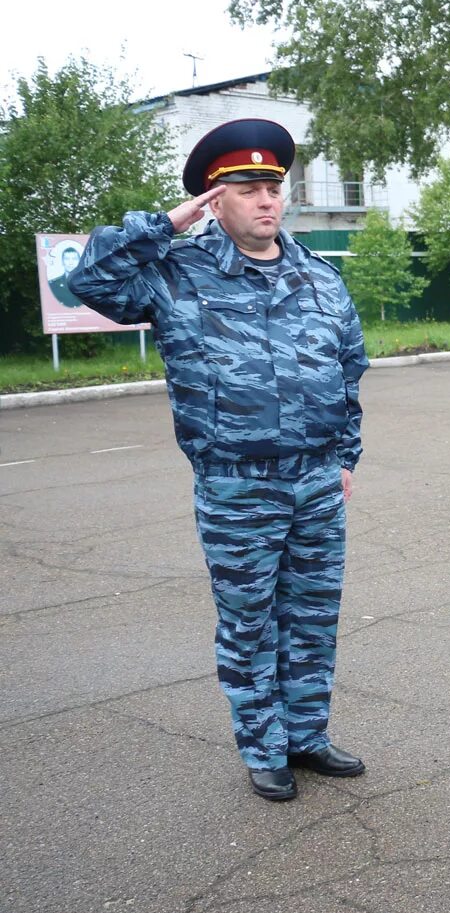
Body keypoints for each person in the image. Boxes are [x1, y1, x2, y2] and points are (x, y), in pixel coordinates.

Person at [67, 118, 369, 802]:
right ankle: (263, 745)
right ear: (214, 200)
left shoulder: (318, 276)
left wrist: (345, 455)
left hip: (317, 481)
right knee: (250, 618)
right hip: (237, 484)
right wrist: (162, 225)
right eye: (248, 189)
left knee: (314, 615)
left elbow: (350, 368)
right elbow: (87, 279)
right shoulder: (173, 274)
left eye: (273, 187)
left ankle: (306, 735)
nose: (267, 200)